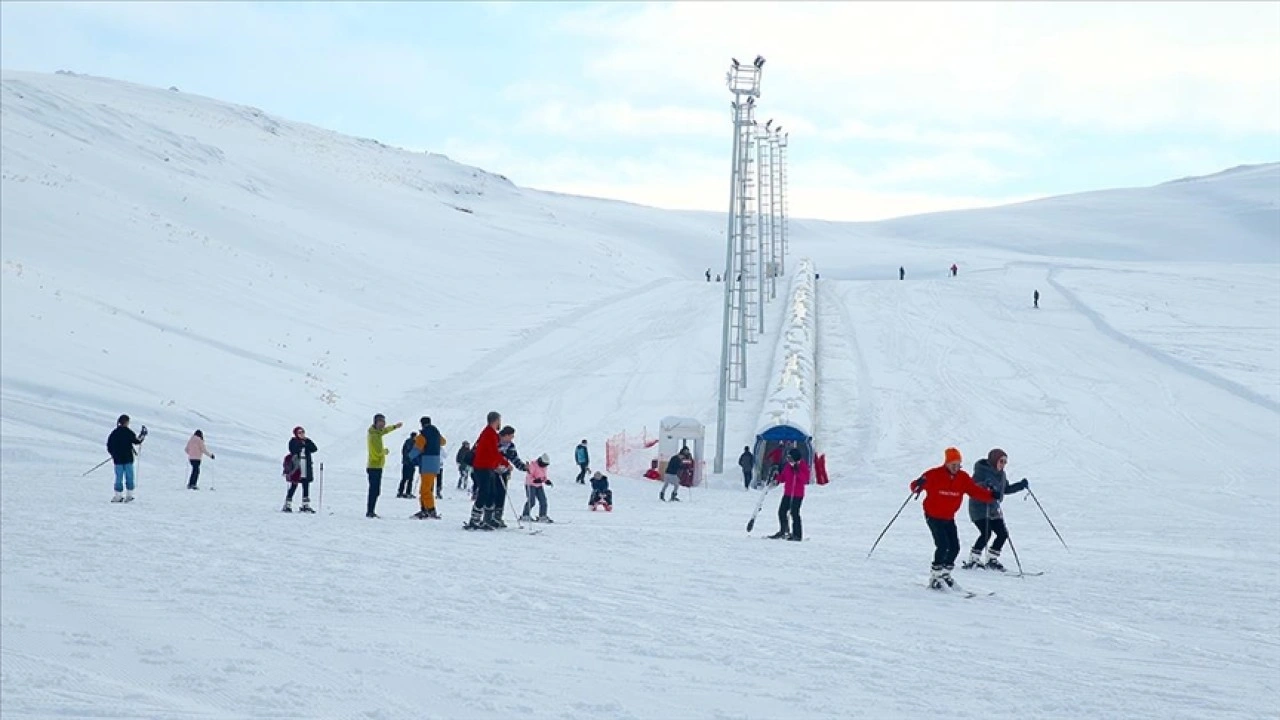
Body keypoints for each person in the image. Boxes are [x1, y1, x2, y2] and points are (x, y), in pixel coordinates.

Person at [910, 448, 994, 589]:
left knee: (954, 547)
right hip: (933, 516)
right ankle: (935, 577)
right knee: (942, 545)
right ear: (946, 463)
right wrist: (918, 484)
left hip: (948, 517)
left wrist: (991, 496)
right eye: (953, 464)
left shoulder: (963, 477)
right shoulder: (933, 474)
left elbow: (975, 491)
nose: (956, 468)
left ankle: (945, 574)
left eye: (958, 464)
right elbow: (915, 487)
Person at [964, 449, 1029, 571]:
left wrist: (1020, 486)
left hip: (993, 508)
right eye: (1001, 461)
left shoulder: (1002, 475)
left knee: (1002, 534)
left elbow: (1006, 489)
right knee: (986, 532)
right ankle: (974, 558)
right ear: (994, 460)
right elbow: (973, 487)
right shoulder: (981, 471)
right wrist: (985, 485)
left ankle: (992, 559)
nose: (1003, 464)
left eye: (1005, 462)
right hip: (979, 508)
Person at [465, 412, 511, 530]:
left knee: (491, 493)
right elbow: (493, 453)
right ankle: (475, 519)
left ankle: (487, 519)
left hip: (487, 466)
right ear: (496, 421)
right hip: (482, 467)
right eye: (499, 421)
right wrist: (505, 463)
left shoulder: (488, 433)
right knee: (484, 493)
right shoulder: (490, 434)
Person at [365, 414, 403, 518]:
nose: (383, 425)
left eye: (383, 423)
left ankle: (371, 511)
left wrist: (395, 427)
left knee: (376, 490)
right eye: (381, 423)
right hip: (374, 467)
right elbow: (376, 452)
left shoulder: (377, 432)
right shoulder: (374, 436)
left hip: (377, 466)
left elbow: (385, 431)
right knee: (374, 490)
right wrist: (384, 451)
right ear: (376, 423)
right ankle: (370, 511)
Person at [768, 447, 810, 541]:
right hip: (788, 493)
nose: (789, 460)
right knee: (781, 511)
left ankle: (797, 535)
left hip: (797, 494)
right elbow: (783, 477)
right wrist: (776, 477)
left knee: (794, 513)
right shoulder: (788, 466)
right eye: (788, 458)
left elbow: (805, 479)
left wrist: (797, 471)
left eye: (790, 458)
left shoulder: (802, 465)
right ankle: (784, 531)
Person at [106, 414, 146, 502]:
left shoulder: (114, 433)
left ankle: (118, 496)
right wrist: (143, 435)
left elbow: (109, 445)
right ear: (126, 422)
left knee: (119, 477)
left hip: (118, 459)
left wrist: (113, 454)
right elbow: (137, 441)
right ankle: (129, 495)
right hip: (128, 458)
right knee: (129, 476)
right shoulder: (128, 432)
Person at [412, 417, 446, 519]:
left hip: (427, 462)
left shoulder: (423, 434)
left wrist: (409, 457)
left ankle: (430, 510)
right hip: (435, 463)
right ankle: (425, 509)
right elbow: (443, 442)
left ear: (422, 424)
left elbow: (417, 449)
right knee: (427, 487)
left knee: (425, 489)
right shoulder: (436, 432)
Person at [494, 426, 528, 527]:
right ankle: (489, 516)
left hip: (503, 472)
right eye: (511, 436)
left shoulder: (510, 446)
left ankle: (498, 517)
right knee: (491, 493)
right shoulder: (495, 441)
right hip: (492, 471)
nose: (512, 439)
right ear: (506, 435)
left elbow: (515, 459)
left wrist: (524, 467)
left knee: (501, 494)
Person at [284, 426, 318, 513]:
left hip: (305, 466)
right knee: (294, 485)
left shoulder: (306, 441)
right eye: (299, 432)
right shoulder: (293, 441)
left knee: (306, 485)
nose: (302, 434)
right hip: (297, 466)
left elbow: (314, 449)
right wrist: (301, 444)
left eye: (303, 432)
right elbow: (293, 450)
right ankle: (288, 504)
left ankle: (305, 505)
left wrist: (307, 441)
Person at [520, 453, 554, 523]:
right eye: (544, 464)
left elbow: (543, 476)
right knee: (531, 501)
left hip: (539, 485)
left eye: (546, 464)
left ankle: (542, 516)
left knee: (543, 501)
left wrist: (546, 481)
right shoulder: (533, 465)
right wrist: (535, 480)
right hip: (530, 484)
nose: (544, 466)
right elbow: (529, 476)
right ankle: (525, 515)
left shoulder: (544, 467)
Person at [397, 432, 418, 498]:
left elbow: (403, 451)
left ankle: (400, 492)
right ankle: (408, 492)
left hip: (405, 463)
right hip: (410, 464)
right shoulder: (414, 443)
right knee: (410, 479)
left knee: (404, 478)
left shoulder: (407, 442)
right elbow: (413, 453)